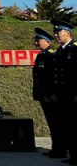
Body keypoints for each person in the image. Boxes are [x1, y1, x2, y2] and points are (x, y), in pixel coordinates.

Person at [51, 20, 77, 165]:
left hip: (72, 95)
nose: (56, 35)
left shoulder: (74, 49)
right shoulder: (60, 51)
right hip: (62, 95)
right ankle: (72, 154)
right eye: (55, 33)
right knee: (66, 125)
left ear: (67, 33)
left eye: (58, 33)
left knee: (74, 126)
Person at [31, 28, 61, 157]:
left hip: (50, 97)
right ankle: (56, 148)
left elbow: (52, 78)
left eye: (39, 41)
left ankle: (60, 149)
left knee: (56, 123)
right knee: (51, 122)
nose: (37, 43)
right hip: (44, 96)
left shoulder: (50, 55)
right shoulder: (42, 55)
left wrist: (49, 94)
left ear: (47, 41)